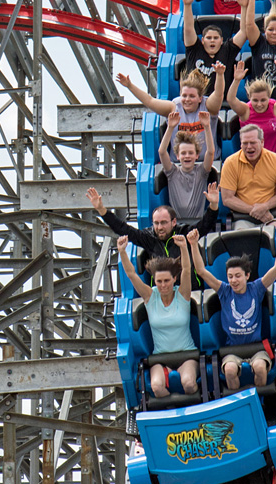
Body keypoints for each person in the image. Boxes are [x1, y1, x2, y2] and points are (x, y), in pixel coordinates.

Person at [187, 223, 276, 390]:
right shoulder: (224, 291)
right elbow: (201, 271)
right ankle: (240, 402)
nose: (233, 280)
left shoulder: (256, 288)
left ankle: (259, 402)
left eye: (237, 276)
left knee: (259, 367)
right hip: (233, 350)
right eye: (230, 276)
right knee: (229, 370)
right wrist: (193, 245)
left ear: (247, 276)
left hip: (256, 348)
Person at [117, 235, 199, 397]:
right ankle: (172, 412)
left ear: (174, 279)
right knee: (156, 387)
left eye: (167, 281)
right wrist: (122, 252)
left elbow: (187, 270)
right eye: (159, 281)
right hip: (160, 357)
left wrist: (184, 247)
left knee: (188, 383)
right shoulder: (150, 296)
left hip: (187, 354)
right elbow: (131, 274)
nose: (163, 285)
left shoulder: (182, 295)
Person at [86, 186, 220, 272]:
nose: (159, 227)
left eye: (163, 223)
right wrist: (102, 210)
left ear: (174, 222)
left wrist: (213, 204)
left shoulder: (184, 233)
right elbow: (123, 229)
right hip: (161, 290)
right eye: (156, 223)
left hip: (188, 288)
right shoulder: (149, 238)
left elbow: (206, 224)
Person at [117, 61, 225, 162]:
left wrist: (220, 75)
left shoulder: (208, 106)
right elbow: (150, 101)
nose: (187, 99)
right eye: (184, 96)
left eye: (192, 96)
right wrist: (130, 86)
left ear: (200, 98)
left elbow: (219, 94)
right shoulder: (175, 107)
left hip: (207, 162)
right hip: (179, 164)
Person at [226, 55, 276, 155]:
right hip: (250, 160)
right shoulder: (246, 111)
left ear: (269, 97)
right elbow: (231, 99)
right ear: (249, 98)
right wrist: (236, 80)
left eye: (263, 100)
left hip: (273, 161)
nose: (259, 104)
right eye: (255, 100)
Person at [219, 124, 276, 227]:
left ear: (262, 142)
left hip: (270, 215)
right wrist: (255, 211)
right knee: (242, 235)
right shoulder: (230, 163)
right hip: (242, 217)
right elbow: (227, 199)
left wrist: (264, 207)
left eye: (253, 143)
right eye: (245, 143)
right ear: (240, 144)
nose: (249, 147)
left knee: (275, 232)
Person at [159, 111, 217, 225]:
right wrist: (170, 127)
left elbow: (210, 152)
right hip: (177, 224)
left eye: (190, 153)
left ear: (196, 155)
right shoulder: (172, 172)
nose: (187, 156)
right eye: (183, 153)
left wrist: (207, 126)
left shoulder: (201, 171)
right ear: (177, 156)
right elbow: (162, 152)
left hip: (198, 222)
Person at [181, 0, 245, 79]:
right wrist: (187, 5)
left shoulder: (227, 51)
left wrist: (243, 6)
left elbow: (243, 31)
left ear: (221, 40)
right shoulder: (194, 50)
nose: (212, 40)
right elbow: (188, 29)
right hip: (195, 93)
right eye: (208, 38)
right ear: (202, 40)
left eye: (215, 38)